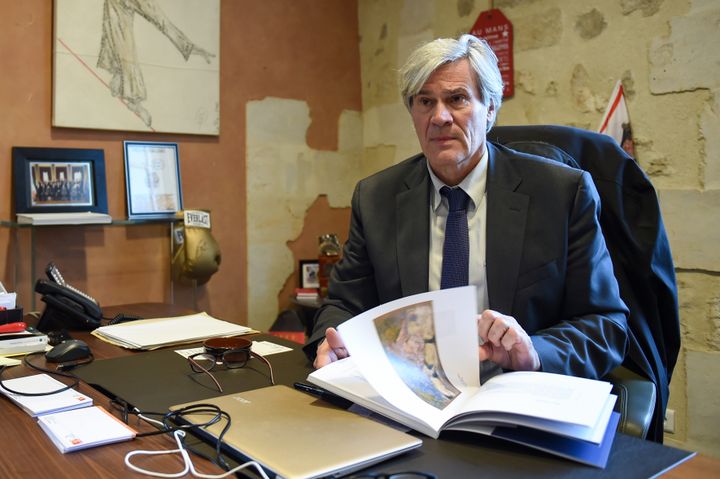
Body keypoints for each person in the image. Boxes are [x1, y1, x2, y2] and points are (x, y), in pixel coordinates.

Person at [304, 34, 629, 381]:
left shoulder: (562, 193)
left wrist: (532, 352)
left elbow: (605, 324)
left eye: (457, 99)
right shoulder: (376, 199)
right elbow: (342, 304)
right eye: (425, 102)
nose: (439, 117)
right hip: (412, 393)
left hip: (514, 391)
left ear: (490, 109)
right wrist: (333, 342)